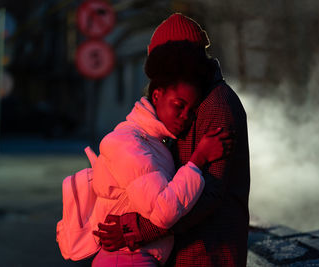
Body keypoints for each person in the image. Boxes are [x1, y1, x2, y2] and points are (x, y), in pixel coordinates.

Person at [93, 13, 250, 267]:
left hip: (208, 252)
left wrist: (136, 229)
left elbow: (209, 193)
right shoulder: (191, 102)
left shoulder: (216, 105)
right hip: (187, 249)